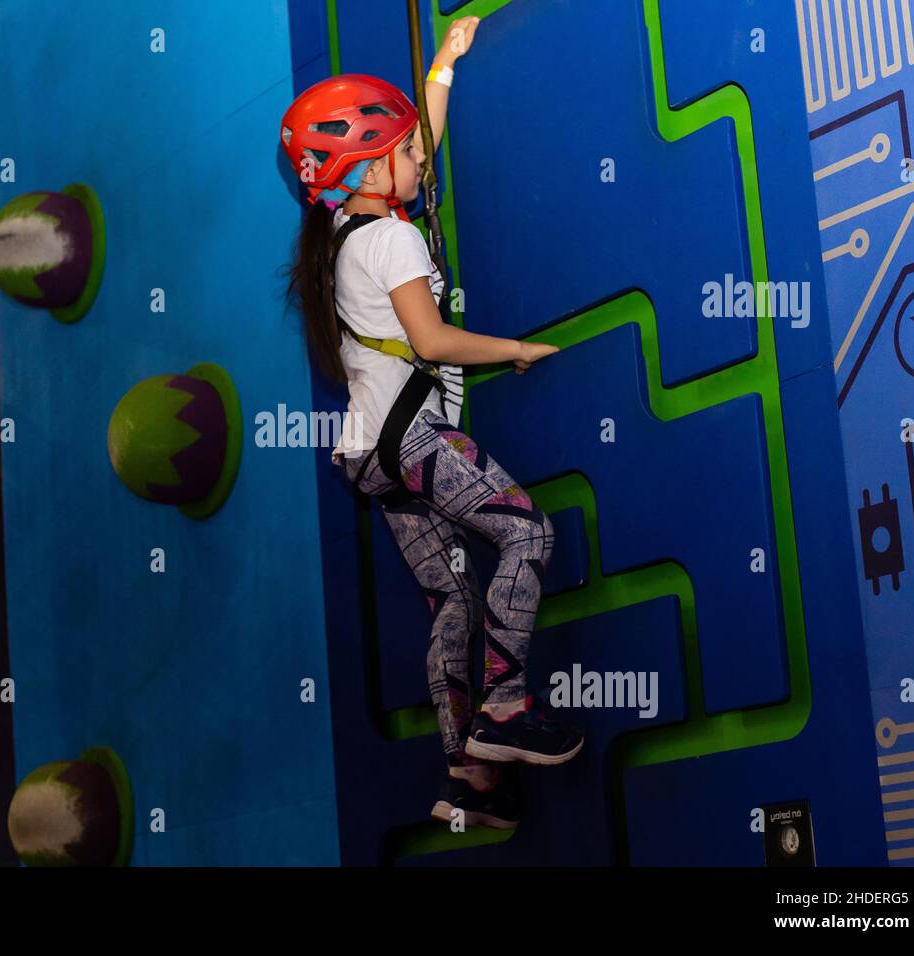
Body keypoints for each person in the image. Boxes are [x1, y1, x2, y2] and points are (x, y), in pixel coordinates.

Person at [280, 16, 583, 830]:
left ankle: (465, 779)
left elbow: (419, 145)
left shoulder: (346, 231)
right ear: (373, 171)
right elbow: (433, 340)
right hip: (415, 444)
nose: (423, 157)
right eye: (409, 152)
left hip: (370, 458)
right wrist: (515, 348)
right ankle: (505, 712)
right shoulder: (392, 241)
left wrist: (443, 66)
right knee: (527, 536)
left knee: (454, 602)